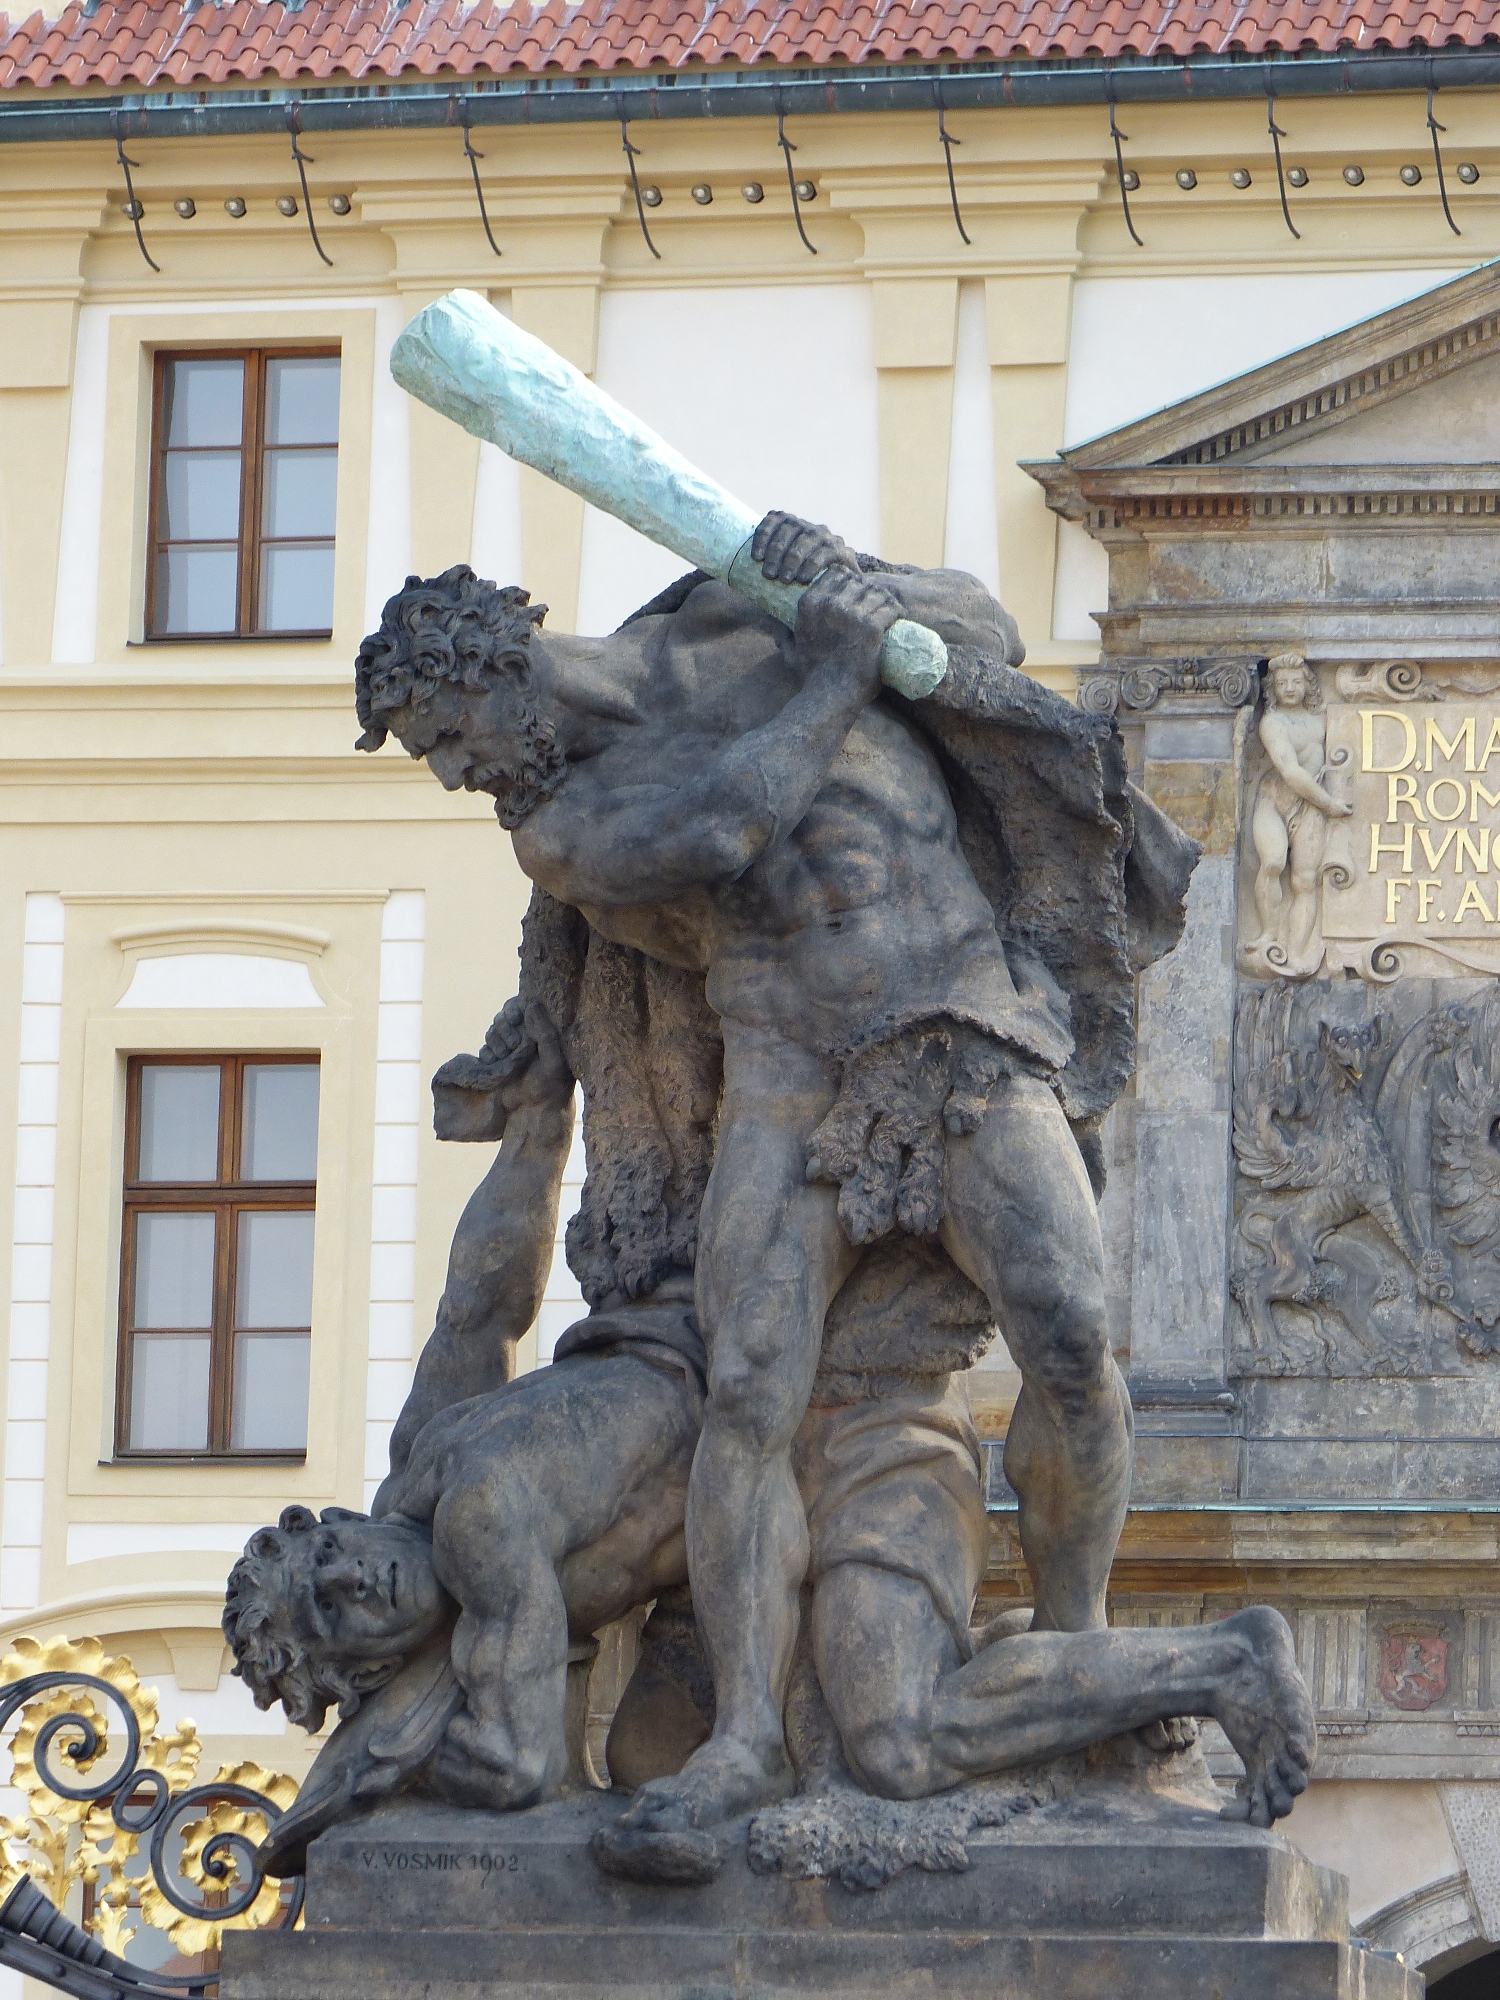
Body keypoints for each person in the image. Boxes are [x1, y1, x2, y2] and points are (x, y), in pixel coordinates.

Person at [352, 513, 1199, 1837]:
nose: (459, 773)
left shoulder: (734, 620)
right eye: (436, 756)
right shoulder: (563, 822)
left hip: (958, 1025)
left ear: (504, 664)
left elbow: (978, 633)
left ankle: (1075, 1635)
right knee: (749, 1388)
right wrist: (836, 672)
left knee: (1073, 1339)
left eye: (450, 735)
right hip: (788, 1070)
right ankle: (745, 1733)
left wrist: (858, 587)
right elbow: (728, 827)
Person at [1243, 651, 1352, 978]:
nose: (1289, 688)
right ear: (1273, 689)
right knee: (1273, 862)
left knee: (1305, 881)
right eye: (1282, 683)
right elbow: (1290, 771)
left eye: (1295, 682)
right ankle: (1269, 933)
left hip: (1310, 807)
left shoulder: (1322, 721)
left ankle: (1296, 954)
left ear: (1308, 685)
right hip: (1275, 799)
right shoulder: (1272, 723)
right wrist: (1329, 804)